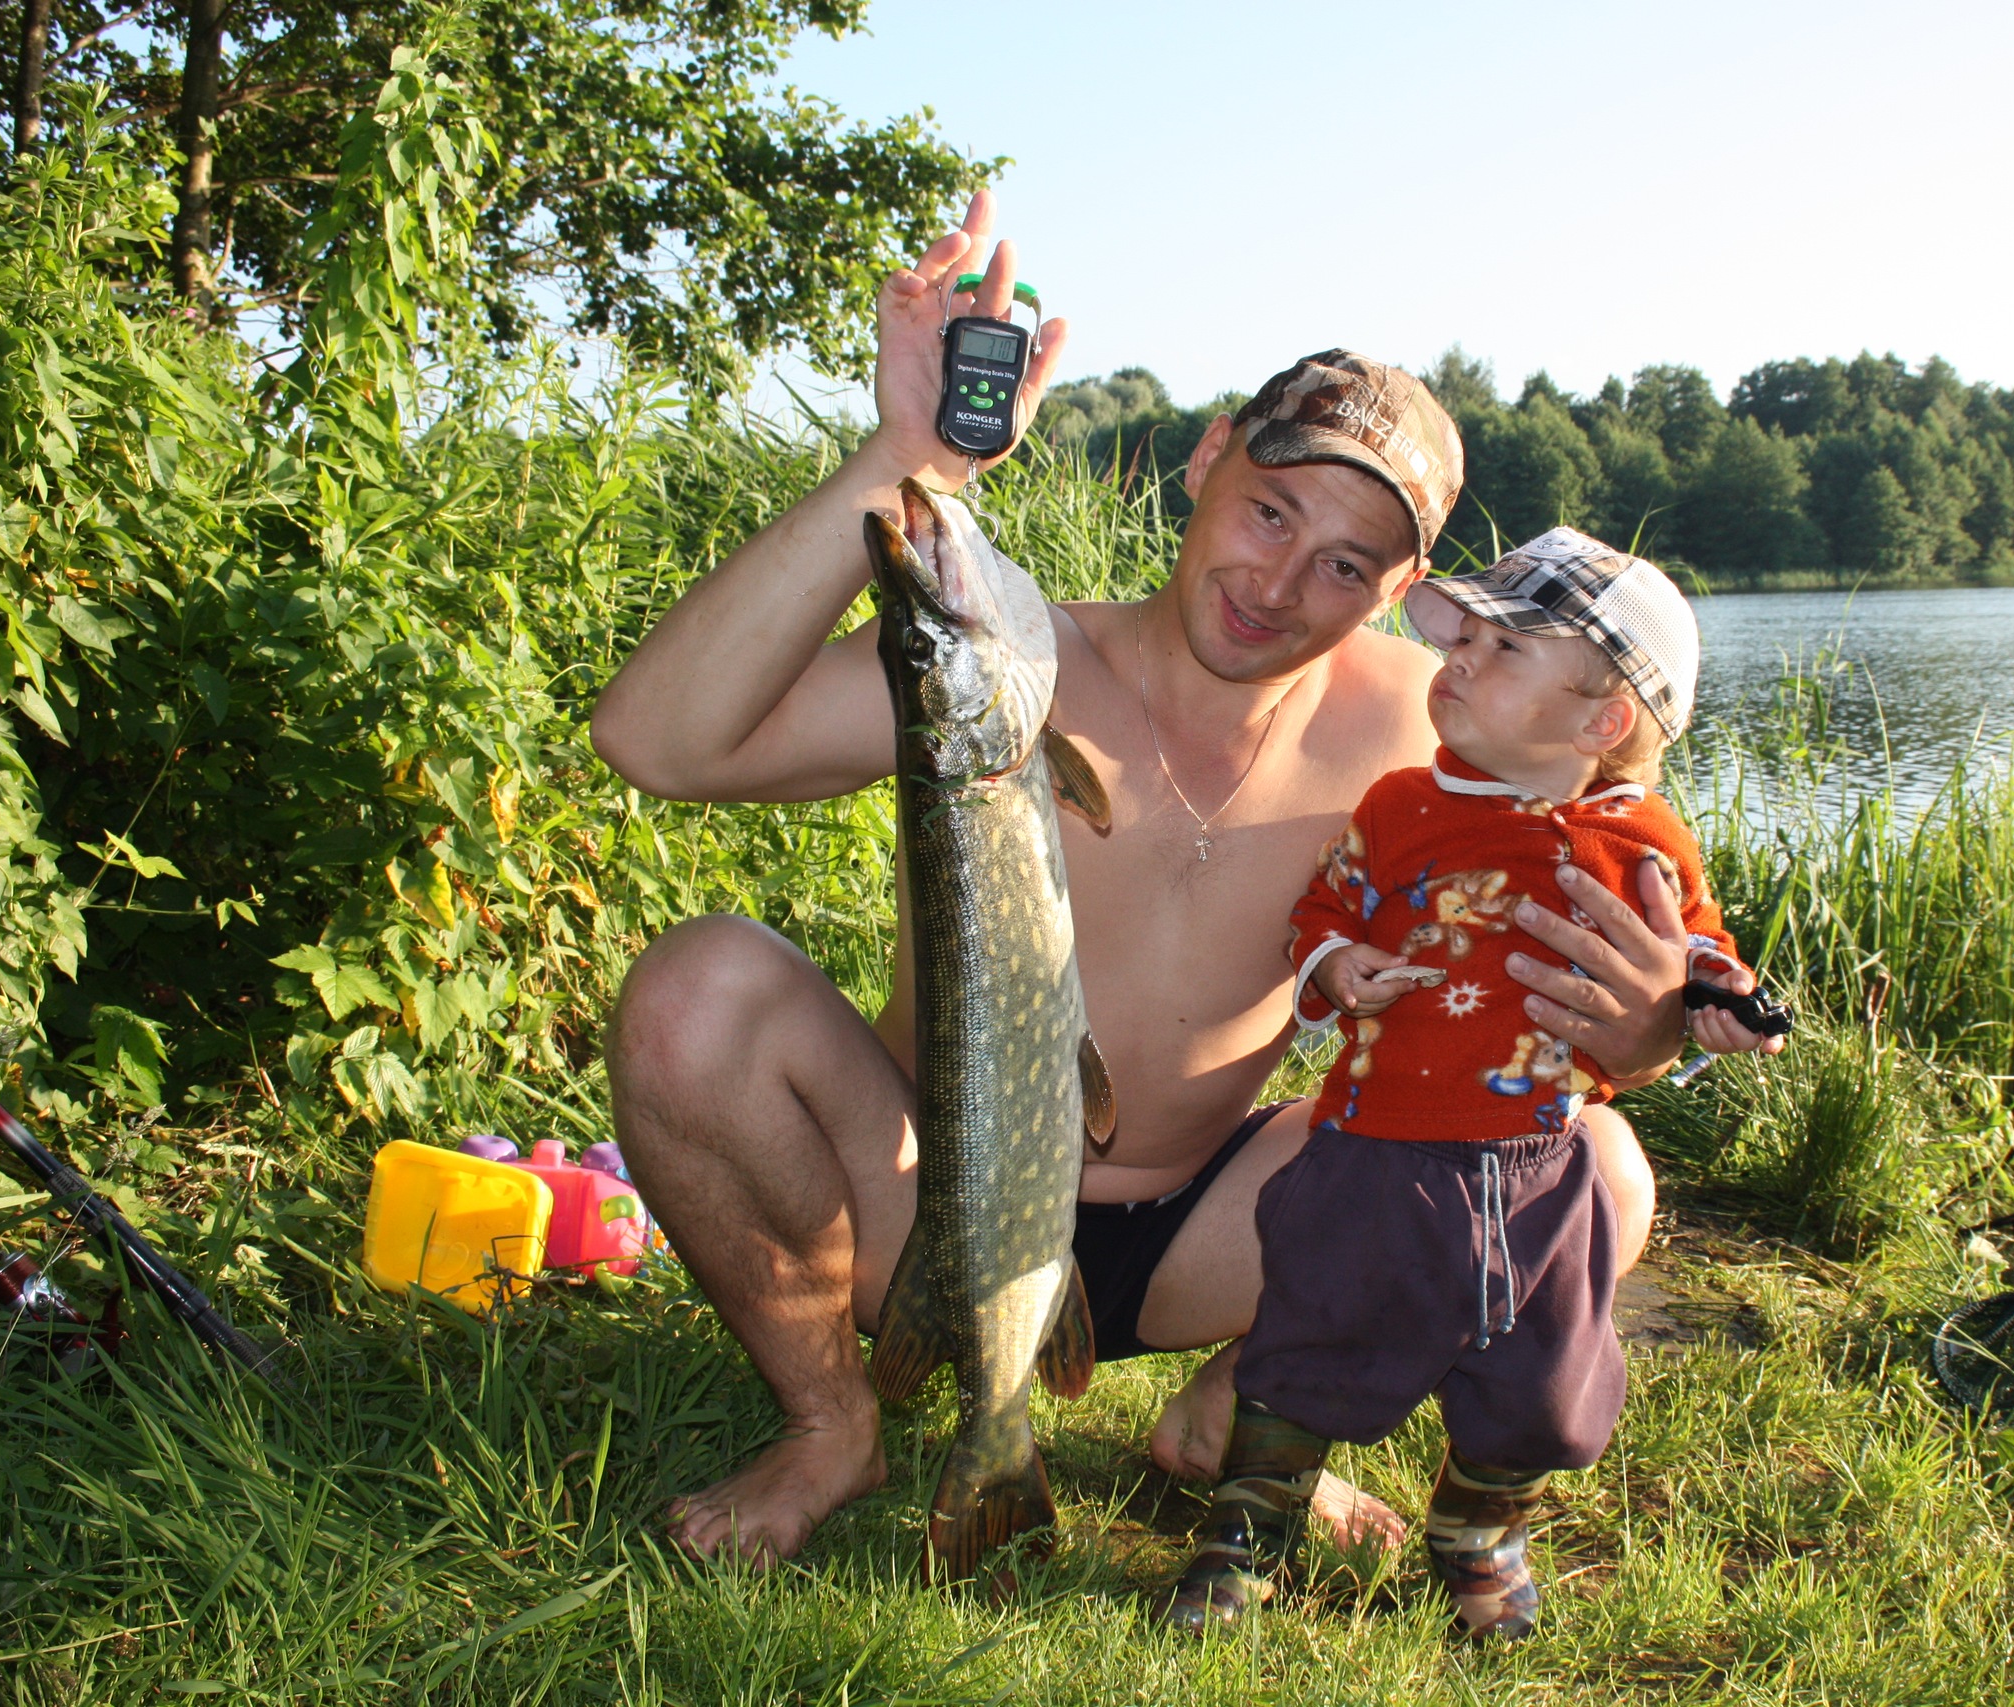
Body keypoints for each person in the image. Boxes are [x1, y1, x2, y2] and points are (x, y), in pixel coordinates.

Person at [591, 191, 1772, 1564]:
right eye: (1269, 511)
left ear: (1401, 584)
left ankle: (1245, 1415)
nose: (1278, 583)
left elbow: (1609, 967)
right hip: (933, 1189)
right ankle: (830, 1421)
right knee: (695, 990)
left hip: (1217, 1226)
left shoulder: (1434, 733)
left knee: (1596, 1167)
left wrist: (1642, 1035)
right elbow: (657, 741)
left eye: (1344, 562)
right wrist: (899, 460)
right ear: (1209, 458)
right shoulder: (1001, 670)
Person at [1159, 528, 1780, 1639]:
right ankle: (1248, 1528)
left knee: (1541, 1380)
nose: (1459, 659)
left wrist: (1719, 999)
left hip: (1542, 1164)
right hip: (1374, 1148)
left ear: (1602, 723)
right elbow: (1325, 909)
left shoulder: (1642, 841)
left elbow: (1694, 944)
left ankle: (1480, 1529)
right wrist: (1334, 966)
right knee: (1312, 1339)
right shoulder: (1401, 806)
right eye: (1465, 639)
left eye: (1504, 649)